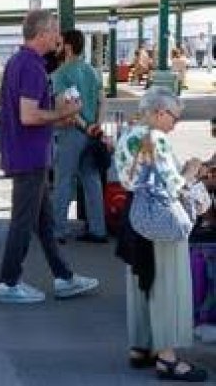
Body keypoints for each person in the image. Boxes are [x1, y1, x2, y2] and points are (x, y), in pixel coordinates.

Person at [0, 10, 99, 304]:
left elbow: (29, 113)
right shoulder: (30, 66)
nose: (59, 37)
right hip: (29, 157)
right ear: (41, 33)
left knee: (44, 222)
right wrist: (63, 112)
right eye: (55, 30)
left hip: (28, 154)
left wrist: (56, 117)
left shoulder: (22, 62)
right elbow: (28, 116)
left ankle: (64, 277)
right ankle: (8, 282)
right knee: (24, 222)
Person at [114, 88, 208, 382]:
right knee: (168, 285)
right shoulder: (156, 139)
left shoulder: (128, 135)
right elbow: (174, 185)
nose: (175, 124)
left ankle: (141, 346)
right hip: (161, 219)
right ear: (158, 112)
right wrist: (193, 170)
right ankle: (167, 357)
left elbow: (132, 178)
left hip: (135, 216)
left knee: (141, 281)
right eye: (174, 118)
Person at [51, 29, 109, 244]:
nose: (56, 47)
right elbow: (103, 101)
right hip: (94, 133)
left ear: (67, 46)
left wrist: (85, 126)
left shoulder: (61, 75)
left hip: (72, 133)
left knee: (64, 181)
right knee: (92, 180)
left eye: (59, 43)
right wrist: (97, 126)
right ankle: (98, 229)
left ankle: (59, 230)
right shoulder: (93, 72)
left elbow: (71, 106)